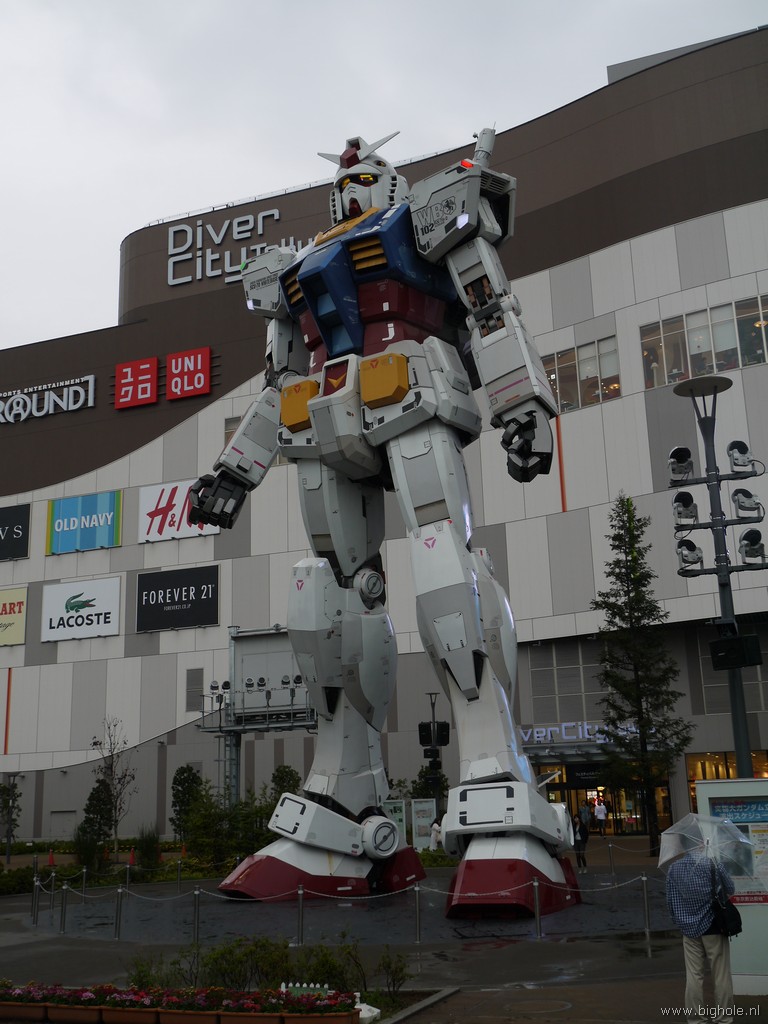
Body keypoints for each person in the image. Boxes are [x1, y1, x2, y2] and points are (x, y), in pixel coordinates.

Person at [666, 851, 735, 1023]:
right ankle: (724, 1018)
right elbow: (730, 889)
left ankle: (696, 1019)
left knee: (694, 976)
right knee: (721, 975)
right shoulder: (713, 864)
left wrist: (680, 921)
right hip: (714, 927)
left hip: (688, 929)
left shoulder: (674, 868)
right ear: (702, 843)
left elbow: (670, 901)